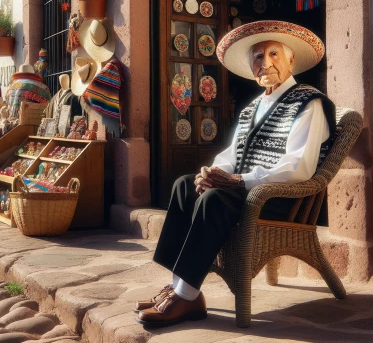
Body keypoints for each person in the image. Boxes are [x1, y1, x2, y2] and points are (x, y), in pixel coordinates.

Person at [137, 21, 335, 326]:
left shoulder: (308, 103)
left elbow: (300, 167)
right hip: (244, 190)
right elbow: (232, 154)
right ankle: (180, 288)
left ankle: (186, 295)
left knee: (214, 199)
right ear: (251, 66)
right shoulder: (252, 108)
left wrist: (239, 180)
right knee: (184, 186)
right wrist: (212, 172)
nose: (265, 63)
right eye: (258, 57)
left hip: (279, 197)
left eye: (274, 54)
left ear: (291, 60)